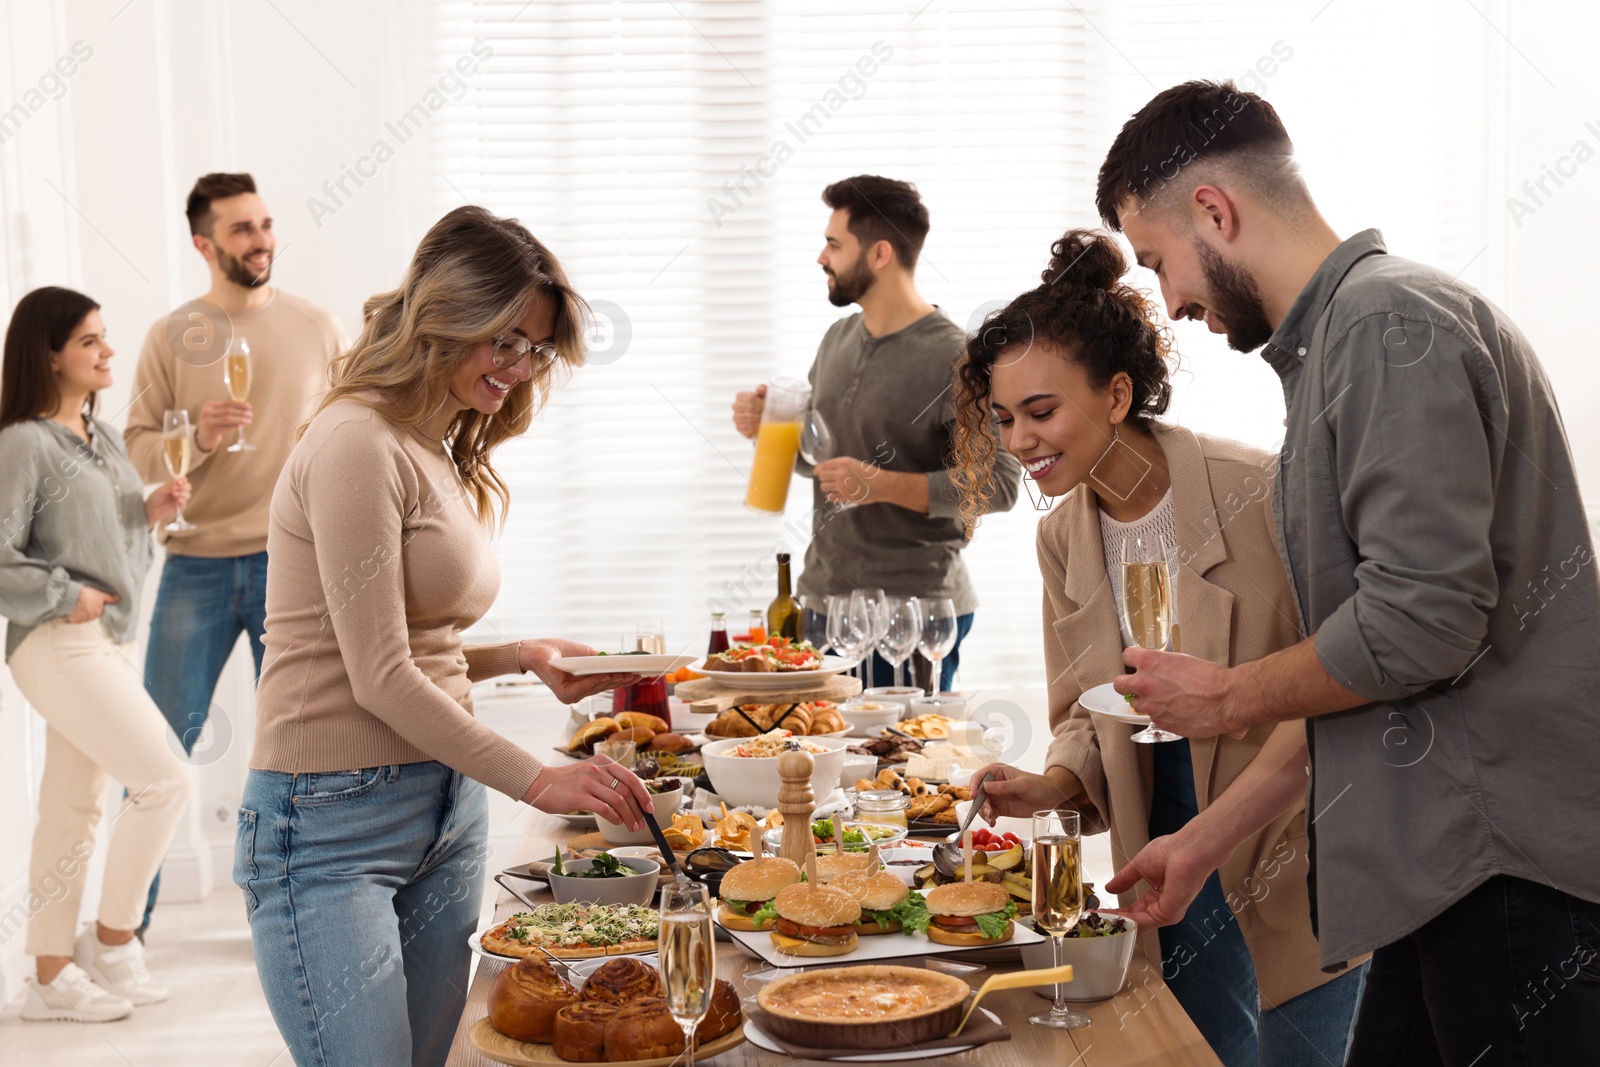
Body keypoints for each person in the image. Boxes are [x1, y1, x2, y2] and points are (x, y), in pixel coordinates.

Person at [1093, 80, 1600, 1066]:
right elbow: (1371, 673)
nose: (1172, 304)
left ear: (1214, 211)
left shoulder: (1385, 327)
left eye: (1158, 263)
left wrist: (1227, 695)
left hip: (1499, 875)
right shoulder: (1346, 342)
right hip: (1441, 870)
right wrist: (1201, 846)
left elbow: (1418, 627)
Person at [236, 206, 650, 1067]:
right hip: (329, 824)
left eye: (535, 348)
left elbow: (417, 640)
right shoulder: (356, 439)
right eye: (507, 339)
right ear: (447, 312)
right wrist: (539, 778)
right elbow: (379, 674)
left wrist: (523, 657)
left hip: (443, 806)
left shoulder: (433, 443)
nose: (520, 366)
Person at [951, 231, 1366, 1066]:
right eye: (1004, 420)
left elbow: (1344, 669)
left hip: (1291, 828)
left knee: (1303, 1049)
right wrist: (1051, 781)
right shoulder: (1065, 537)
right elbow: (1081, 709)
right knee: (1201, 1048)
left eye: (1041, 411)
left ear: (1116, 394)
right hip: (1162, 828)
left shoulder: (1260, 488)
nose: (1021, 442)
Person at [123, 173, 347, 932]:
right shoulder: (171, 334)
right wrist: (198, 438)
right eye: (242, 229)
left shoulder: (316, 326)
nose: (261, 240)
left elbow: (350, 432)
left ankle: (298, 915)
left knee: (302, 752)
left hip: (293, 564)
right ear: (204, 243)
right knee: (154, 747)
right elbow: (136, 450)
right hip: (197, 563)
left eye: (265, 223)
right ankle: (129, 927)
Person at [732, 175, 1021, 690]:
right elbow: (823, 465)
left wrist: (881, 484)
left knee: (902, 767)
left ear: (880, 253)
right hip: (822, 605)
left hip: (912, 614)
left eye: (834, 244)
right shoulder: (837, 338)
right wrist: (768, 431)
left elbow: (997, 483)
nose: (822, 257)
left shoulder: (956, 357)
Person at [0, 288, 192, 1022]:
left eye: (106, 337)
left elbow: (110, 547)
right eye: (90, 341)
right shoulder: (23, 442)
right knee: (165, 781)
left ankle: (50, 975)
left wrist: (147, 514)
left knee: (73, 807)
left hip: (103, 640)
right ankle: (113, 942)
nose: (108, 351)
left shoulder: (102, 437)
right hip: (54, 641)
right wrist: (59, 593)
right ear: (49, 355)